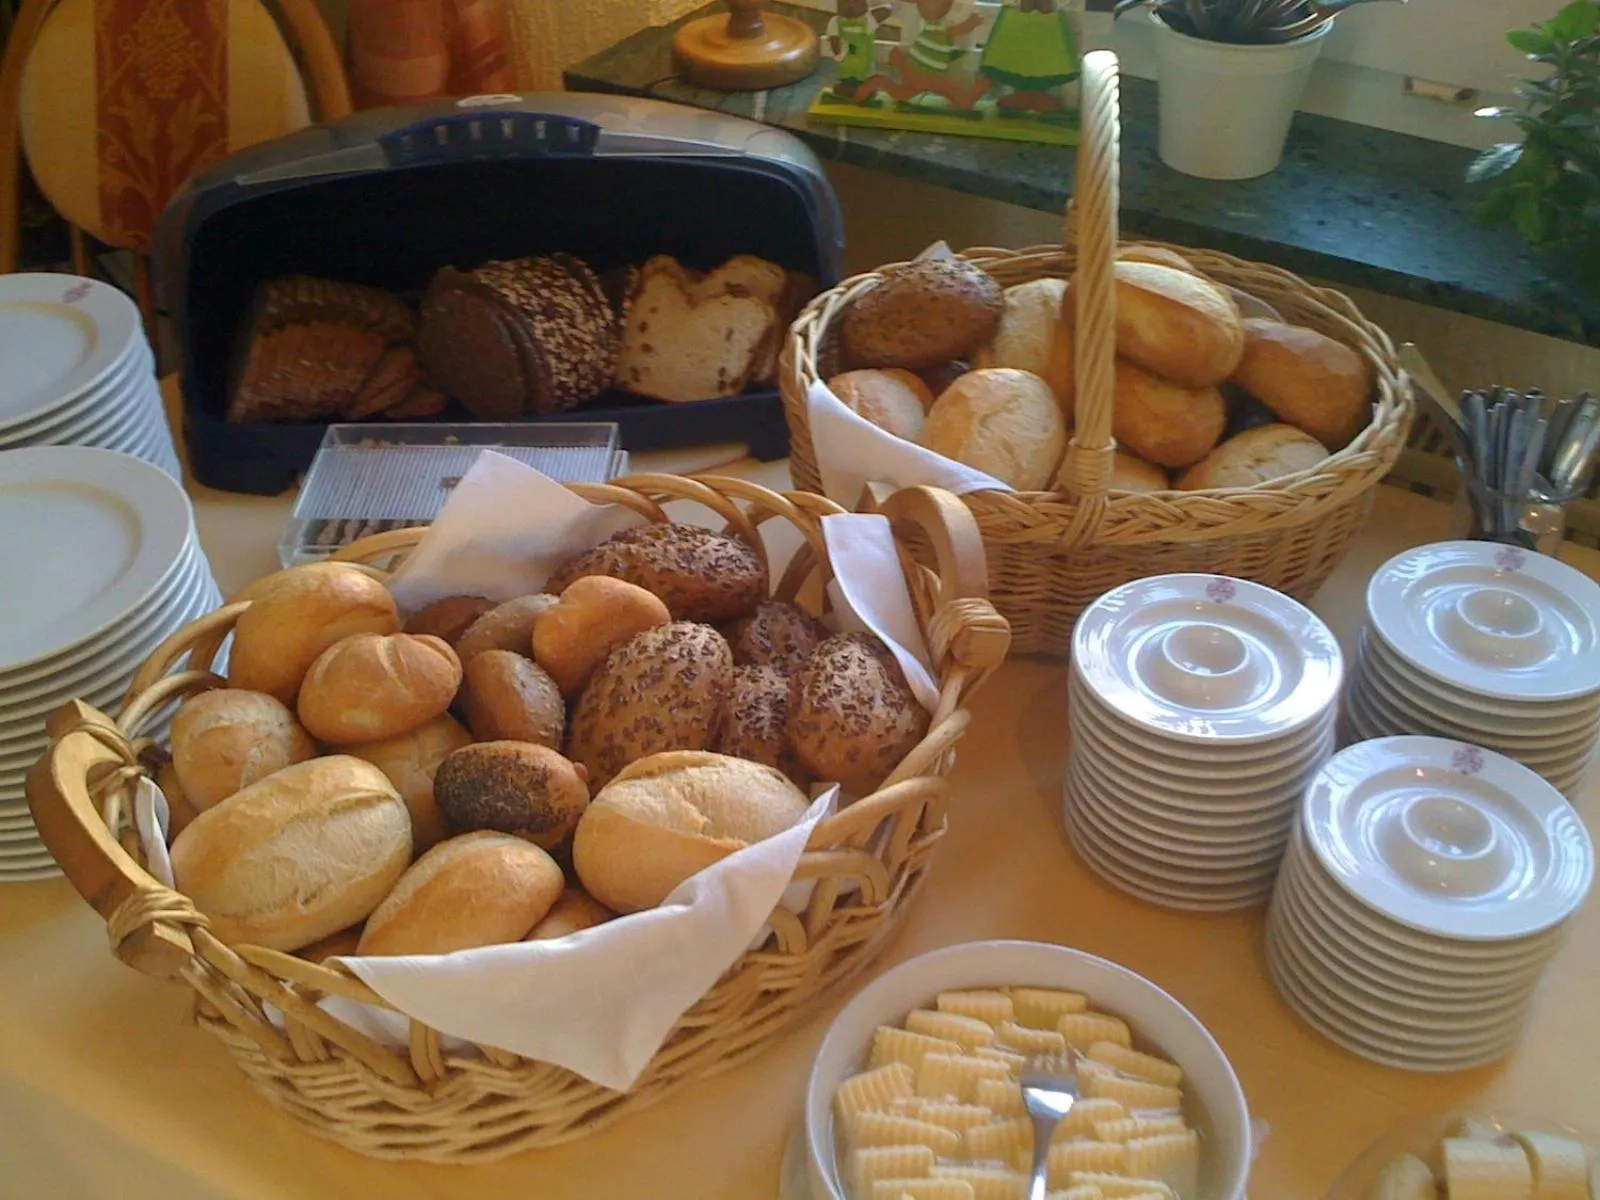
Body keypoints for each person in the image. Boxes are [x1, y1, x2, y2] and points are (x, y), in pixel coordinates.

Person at [978, 0, 1080, 114]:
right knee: (1032, 15)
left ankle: (1032, 95)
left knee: (1040, 15)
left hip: (1041, 28)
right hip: (1025, 26)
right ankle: (1026, 95)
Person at [824, 0, 892, 102]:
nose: (850, 6)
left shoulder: (868, 20)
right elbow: (834, 41)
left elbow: (887, 9)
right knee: (844, 85)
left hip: (865, 68)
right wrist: (837, 52)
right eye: (844, 2)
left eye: (855, 1)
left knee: (867, 85)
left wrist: (868, 11)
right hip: (846, 67)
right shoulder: (836, 22)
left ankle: (863, 91)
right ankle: (852, 90)